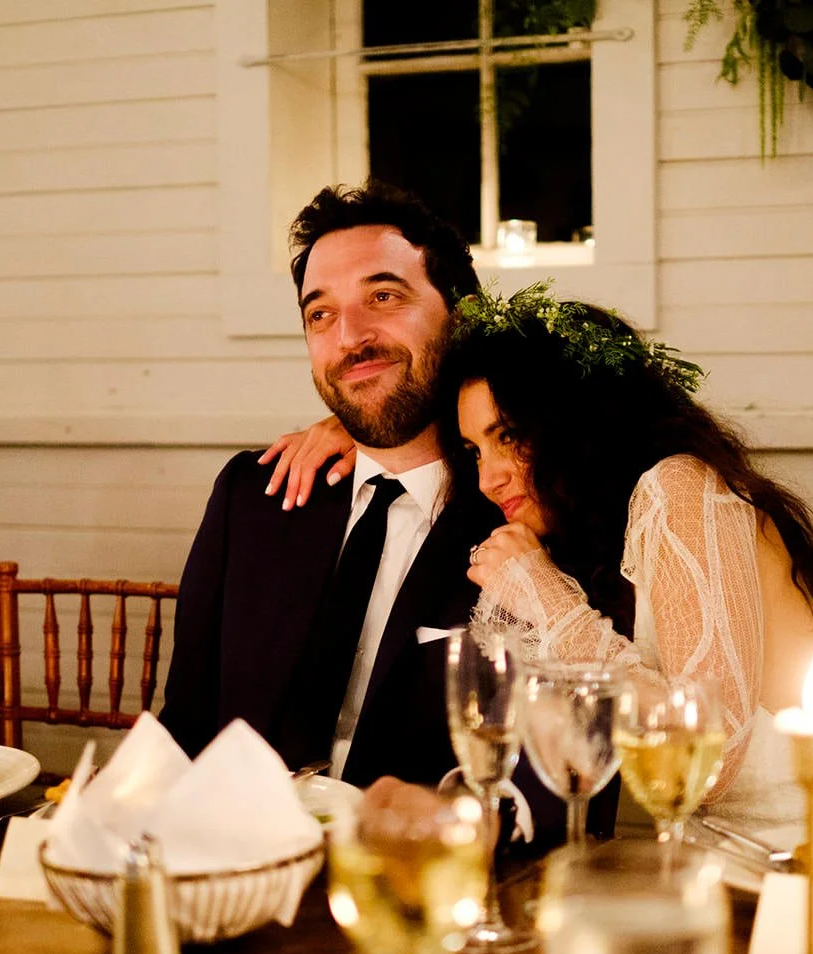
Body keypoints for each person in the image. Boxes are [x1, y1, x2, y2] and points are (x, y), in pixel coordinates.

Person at [279, 283, 813, 825]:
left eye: (510, 436)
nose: (489, 478)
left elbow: (708, 759)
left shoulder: (681, 490)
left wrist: (549, 602)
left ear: (579, 423)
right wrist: (346, 432)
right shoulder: (583, 532)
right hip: (698, 866)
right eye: (474, 451)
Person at [160, 184, 599, 845]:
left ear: (462, 314)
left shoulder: (533, 511)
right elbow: (184, 728)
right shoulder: (251, 497)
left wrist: (464, 826)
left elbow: (564, 778)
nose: (351, 338)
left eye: (384, 297)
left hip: (422, 879)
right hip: (233, 872)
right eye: (320, 314)